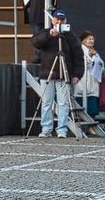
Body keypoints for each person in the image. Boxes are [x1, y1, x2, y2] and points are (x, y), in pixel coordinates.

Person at [33, 8, 83, 137]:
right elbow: (36, 42)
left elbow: (78, 55)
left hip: (64, 73)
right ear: (52, 20)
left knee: (63, 103)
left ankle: (62, 129)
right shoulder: (45, 32)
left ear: (66, 20)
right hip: (47, 72)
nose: (59, 22)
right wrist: (50, 34)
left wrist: (77, 74)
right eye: (57, 19)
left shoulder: (70, 36)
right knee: (46, 102)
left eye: (62, 19)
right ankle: (46, 129)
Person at [74, 30, 104, 119]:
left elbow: (101, 63)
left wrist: (100, 64)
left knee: (92, 107)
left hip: (93, 83)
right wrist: (90, 57)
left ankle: (90, 126)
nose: (91, 41)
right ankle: (83, 126)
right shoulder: (80, 51)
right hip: (83, 82)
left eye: (92, 39)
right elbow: (80, 65)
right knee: (82, 105)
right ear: (83, 40)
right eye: (89, 39)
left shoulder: (93, 51)